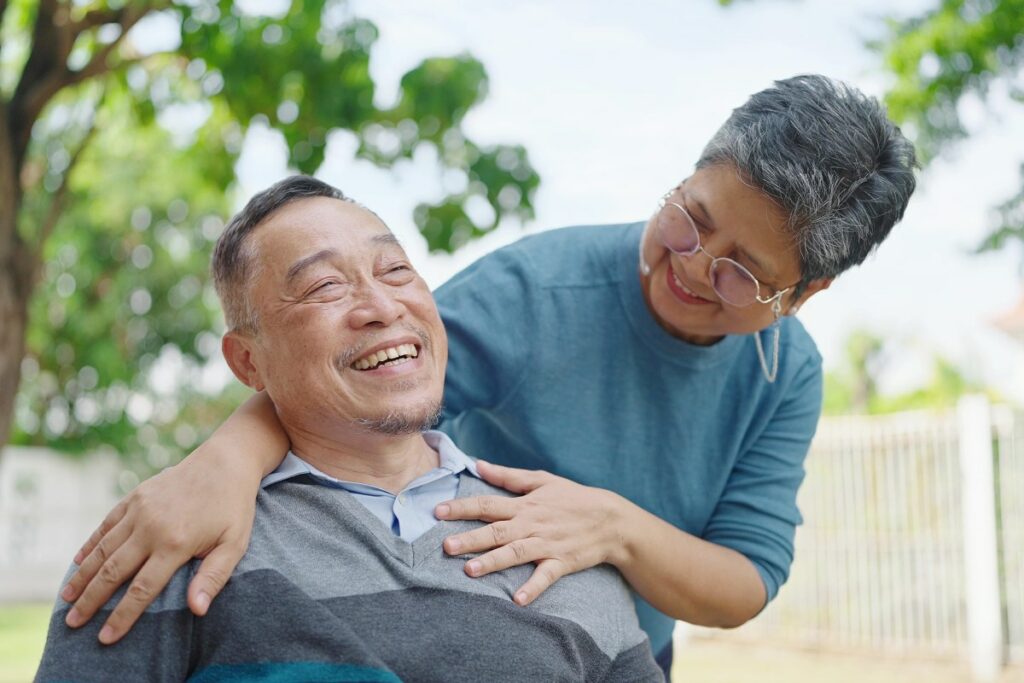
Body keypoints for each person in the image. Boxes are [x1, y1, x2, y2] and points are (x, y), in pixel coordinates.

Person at [58, 74, 917, 679]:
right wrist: (222, 461)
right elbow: (354, 378)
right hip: (447, 609)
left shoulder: (784, 373)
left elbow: (744, 579)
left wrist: (612, 527)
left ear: (805, 293)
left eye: (742, 273)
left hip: (610, 643)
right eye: (690, 218)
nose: (693, 267)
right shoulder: (537, 292)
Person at [36, 178, 662, 682]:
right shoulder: (170, 541)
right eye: (324, 286)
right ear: (248, 361)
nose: (383, 306)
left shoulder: (562, 547)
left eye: (395, 272)